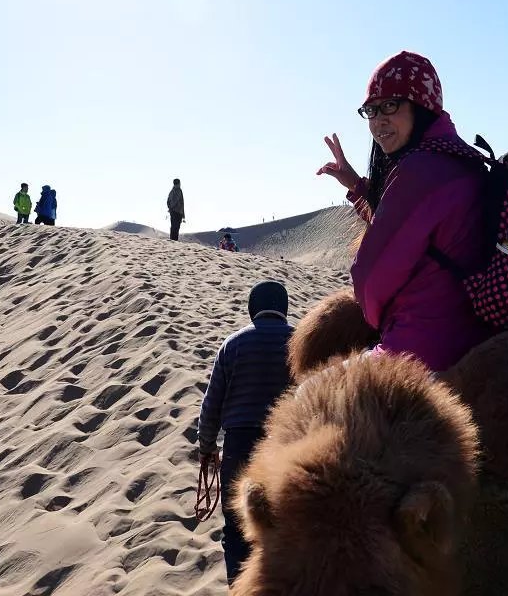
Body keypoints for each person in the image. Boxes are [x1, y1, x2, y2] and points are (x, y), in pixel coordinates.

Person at [316, 51, 492, 372]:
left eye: (391, 106)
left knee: (308, 399)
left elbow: (370, 279)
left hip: (421, 351)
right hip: (477, 341)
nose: (378, 120)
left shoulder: (422, 169)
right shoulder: (465, 160)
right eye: (371, 109)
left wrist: (373, 318)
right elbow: (414, 232)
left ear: (421, 106)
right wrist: (356, 184)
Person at [197, 281, 295, 585]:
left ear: (253, 309)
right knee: (283, 526)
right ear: (283, 308)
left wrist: (206, 446)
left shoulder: (233, 345)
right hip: (286, 445)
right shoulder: (299, 342)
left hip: (239, 445)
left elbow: (212, 403)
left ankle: (240, 588)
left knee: (237, 527)